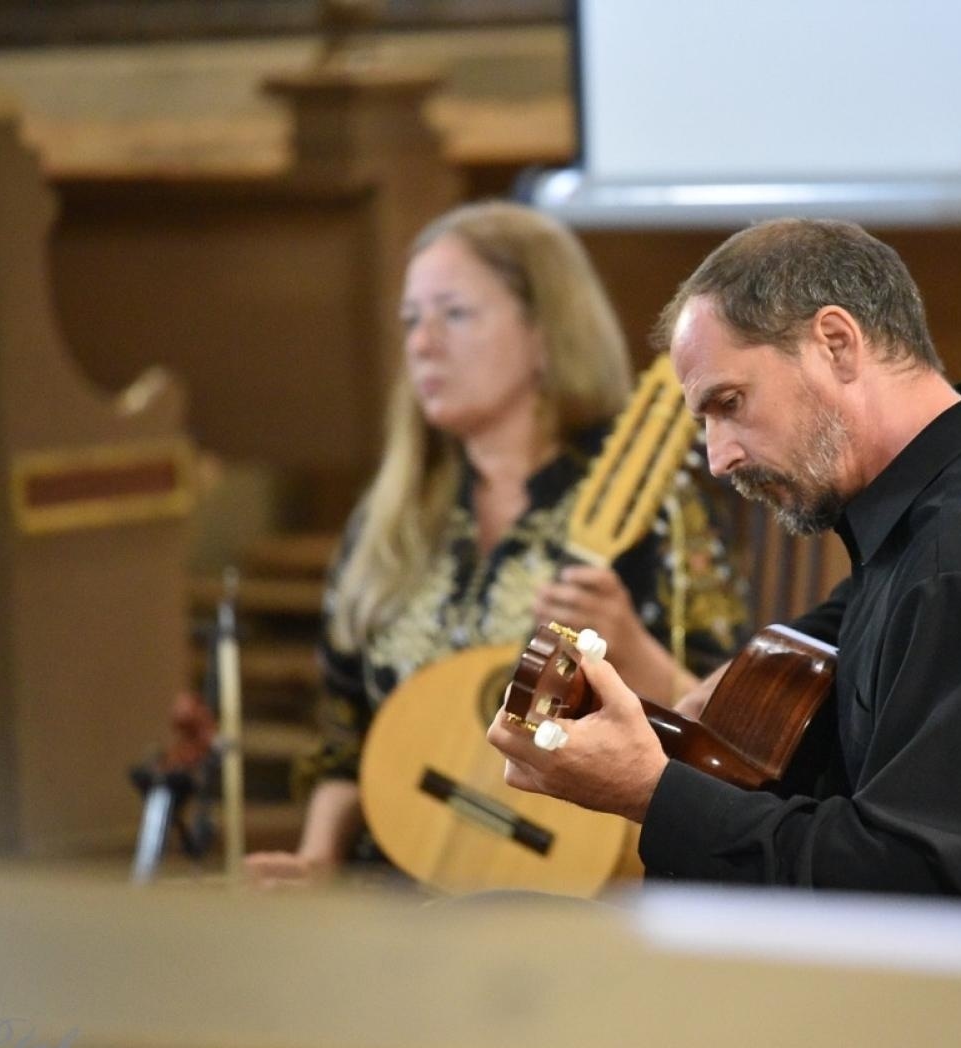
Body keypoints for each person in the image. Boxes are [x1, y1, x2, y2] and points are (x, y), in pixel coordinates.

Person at [488, 218, 961, 912]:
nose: (721, 455)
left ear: (835, 343)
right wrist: (714, 698)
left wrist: (652, 792)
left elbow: (927, 892)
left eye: (729, 404)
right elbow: (865, 622)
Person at [244, 202, 746, 887]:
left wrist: (634, 648)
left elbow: (729, 739)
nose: (422, 343)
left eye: (453, 314)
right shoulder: (392, 513)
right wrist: (319, 856)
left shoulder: (642, 498)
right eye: (411, 320)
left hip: (573, 884)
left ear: (544, 332)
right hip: (394, 873)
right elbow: (345, 737)